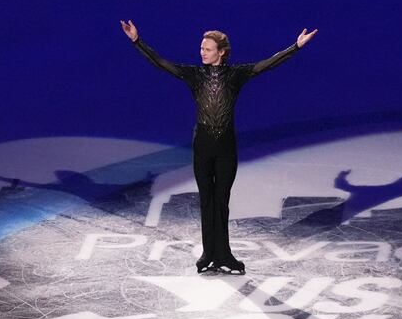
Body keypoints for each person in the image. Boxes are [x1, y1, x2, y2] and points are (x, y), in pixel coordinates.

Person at [121, 19, 317, 275]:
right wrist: (137, 40)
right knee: (206, 201)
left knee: (221, 202)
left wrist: (296, 47)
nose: (202, 52)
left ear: (221, 52)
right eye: (201, 48)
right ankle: (208, 253)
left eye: (207, 49)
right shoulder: (194, 75)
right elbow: (161, 63)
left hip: (226, 149)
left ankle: (224, 255)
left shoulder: (235, 75)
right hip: (202, 147)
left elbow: (267, 64)